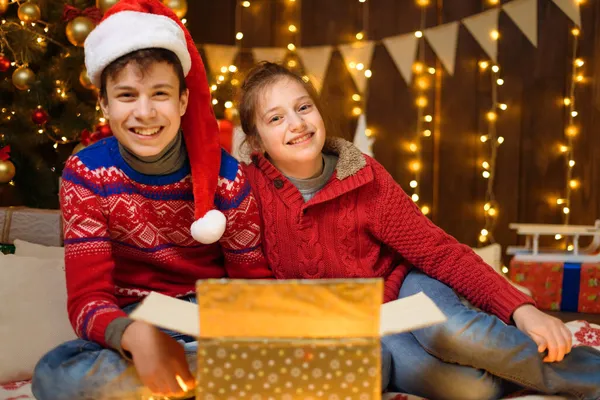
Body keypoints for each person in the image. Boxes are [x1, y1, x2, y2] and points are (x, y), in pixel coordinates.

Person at [239, 62, 600, 400]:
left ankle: (590, 375)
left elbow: (438, 250)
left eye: (303, 108)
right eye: (276, 117)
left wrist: (520, 308)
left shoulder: (362, 176)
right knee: (471, 389)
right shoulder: (247, 191)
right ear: (256, 143)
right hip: (357, 325)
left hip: (403, 288)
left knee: (453, 333)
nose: (297, 123)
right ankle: (497, 355)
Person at [32, 1, 273, 399]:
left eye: (160, 94)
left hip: (210, 318)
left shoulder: (227, 177)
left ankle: (188, 376)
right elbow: (87, 298)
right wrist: (133, 336)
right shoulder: (86, 175)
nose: (144, 113)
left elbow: (253, 286)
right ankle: (204, 381)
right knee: (54, 374)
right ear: (105, 104)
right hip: (133, 323)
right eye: (127, 95)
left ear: (181, 101)